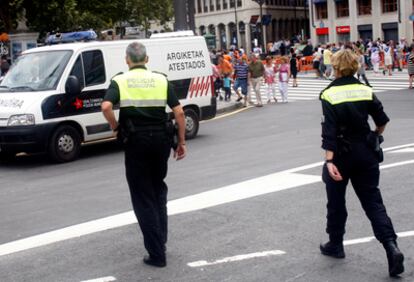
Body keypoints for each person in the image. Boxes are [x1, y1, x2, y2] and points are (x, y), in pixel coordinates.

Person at [319, 49, 404, 278]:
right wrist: (374, 135)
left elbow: (329, 131)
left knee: (336, 202)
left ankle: (335, 244)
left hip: (340, 155)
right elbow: (382, 120)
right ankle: (391, 246)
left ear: (335, 68)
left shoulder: (329, 94)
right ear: (355, 67)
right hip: (366, 153)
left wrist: (329, 161)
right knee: (373, 202)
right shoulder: (365, 90)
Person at [101, 42, 186, 268]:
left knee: (142, 196)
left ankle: (157, 254)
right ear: (147, 60)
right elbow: (179, 112)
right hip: (161, 141)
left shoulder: (120, 80)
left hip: (136, 142)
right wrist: (182, 142)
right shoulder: (160, 79)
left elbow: (106, 106)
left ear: (127, 60)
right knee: (158, 188)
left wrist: (115, 127)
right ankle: (161, 240)